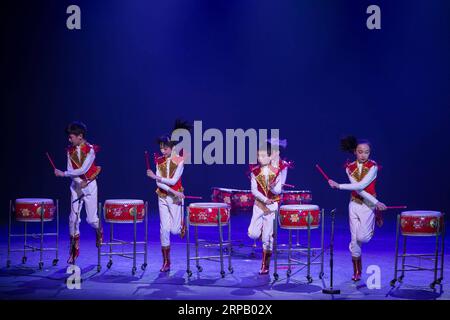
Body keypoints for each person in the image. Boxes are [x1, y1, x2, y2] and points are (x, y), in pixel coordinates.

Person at [328, 136, 387, 281]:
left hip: (368, 206)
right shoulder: (349, 168)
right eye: (360, 152)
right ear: (355, 152)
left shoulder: (373, 166)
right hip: (354, 204)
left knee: (363, 238)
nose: (363, 155)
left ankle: (377, 215)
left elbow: (361, 186)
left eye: (366, 152)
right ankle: (357, 272)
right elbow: (358, 190)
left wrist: (339, 185)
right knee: (354, 240)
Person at [146, 120, 192, 272]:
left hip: (175, 197)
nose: (162, 151)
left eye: (165, 148)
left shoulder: (179, 161)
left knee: (174, 230)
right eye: (161, 148)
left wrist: (156, 178)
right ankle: (166, 261)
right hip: (163, 196)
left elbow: (173, 181)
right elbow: (160, 185)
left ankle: (182, 225)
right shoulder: (158, 160)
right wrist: (156, 179)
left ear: (172, 148)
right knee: (164, 229)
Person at [54, 121, 102, 264]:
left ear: (80, 136)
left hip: (90, 186)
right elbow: (72, 171)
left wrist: (63, 174)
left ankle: (99, 229)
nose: (69, 140)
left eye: (71, 137)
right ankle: (74, 251)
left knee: (91, 219)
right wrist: (76, 181)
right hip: (76, 186)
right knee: (73, 219)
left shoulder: (91, 150)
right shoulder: (70, 151)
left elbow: (83, 170)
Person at [247, 144, 283, 275]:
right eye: (258, 156)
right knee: (252, 234)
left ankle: (265, 266)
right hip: (259, 206)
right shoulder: (255, 172)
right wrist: (264, 199)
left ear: (270, 156)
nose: (260, 158)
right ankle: (262, 232)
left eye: (263, 156)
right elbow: (254, 191)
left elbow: (278, 190)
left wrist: (273, 187)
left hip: (272, 207)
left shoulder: (276, 171)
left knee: (268, 240)